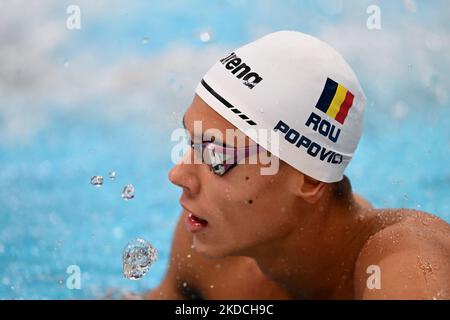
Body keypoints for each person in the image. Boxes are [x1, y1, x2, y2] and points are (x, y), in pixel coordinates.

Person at [159, 31, 450, 299]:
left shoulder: (406, 267)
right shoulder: (210, 252)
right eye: (189, 142)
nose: (178, 174)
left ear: (309, 179)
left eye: (216, 155)